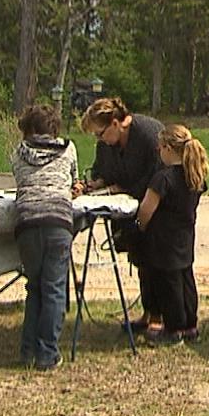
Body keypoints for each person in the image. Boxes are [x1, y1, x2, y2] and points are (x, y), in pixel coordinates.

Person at [80, 97, 166, 328]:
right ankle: (149, 313)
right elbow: (103, 171)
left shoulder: (148, 134)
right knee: (140, 260)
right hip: (129, 210)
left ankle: (161, 316)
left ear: (116, 124)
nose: (100, 140)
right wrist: (94, 184)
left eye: (101, 133)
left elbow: (160, 176)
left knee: (157, 261)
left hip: (159, 207)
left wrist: (126, 190)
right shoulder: (107, 144)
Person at [11, 104, 80, 370]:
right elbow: (72, 180)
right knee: (53, 289)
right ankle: (48, 353)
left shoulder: (19, 153)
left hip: (27, 222)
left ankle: (27, 351)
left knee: (35, 287)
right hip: (58, 222)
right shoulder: (68, 149)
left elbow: (20, 178)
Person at [136, 124, 208, 346]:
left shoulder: (163, 179)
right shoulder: (194, 175)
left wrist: (139, 225)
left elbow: (147, 209)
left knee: (168, 284)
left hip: (163, 239)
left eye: (160, 148)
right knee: (186, 279)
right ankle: (190, 326)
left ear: (168, 148)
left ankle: (173, 328)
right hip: (185, 236)